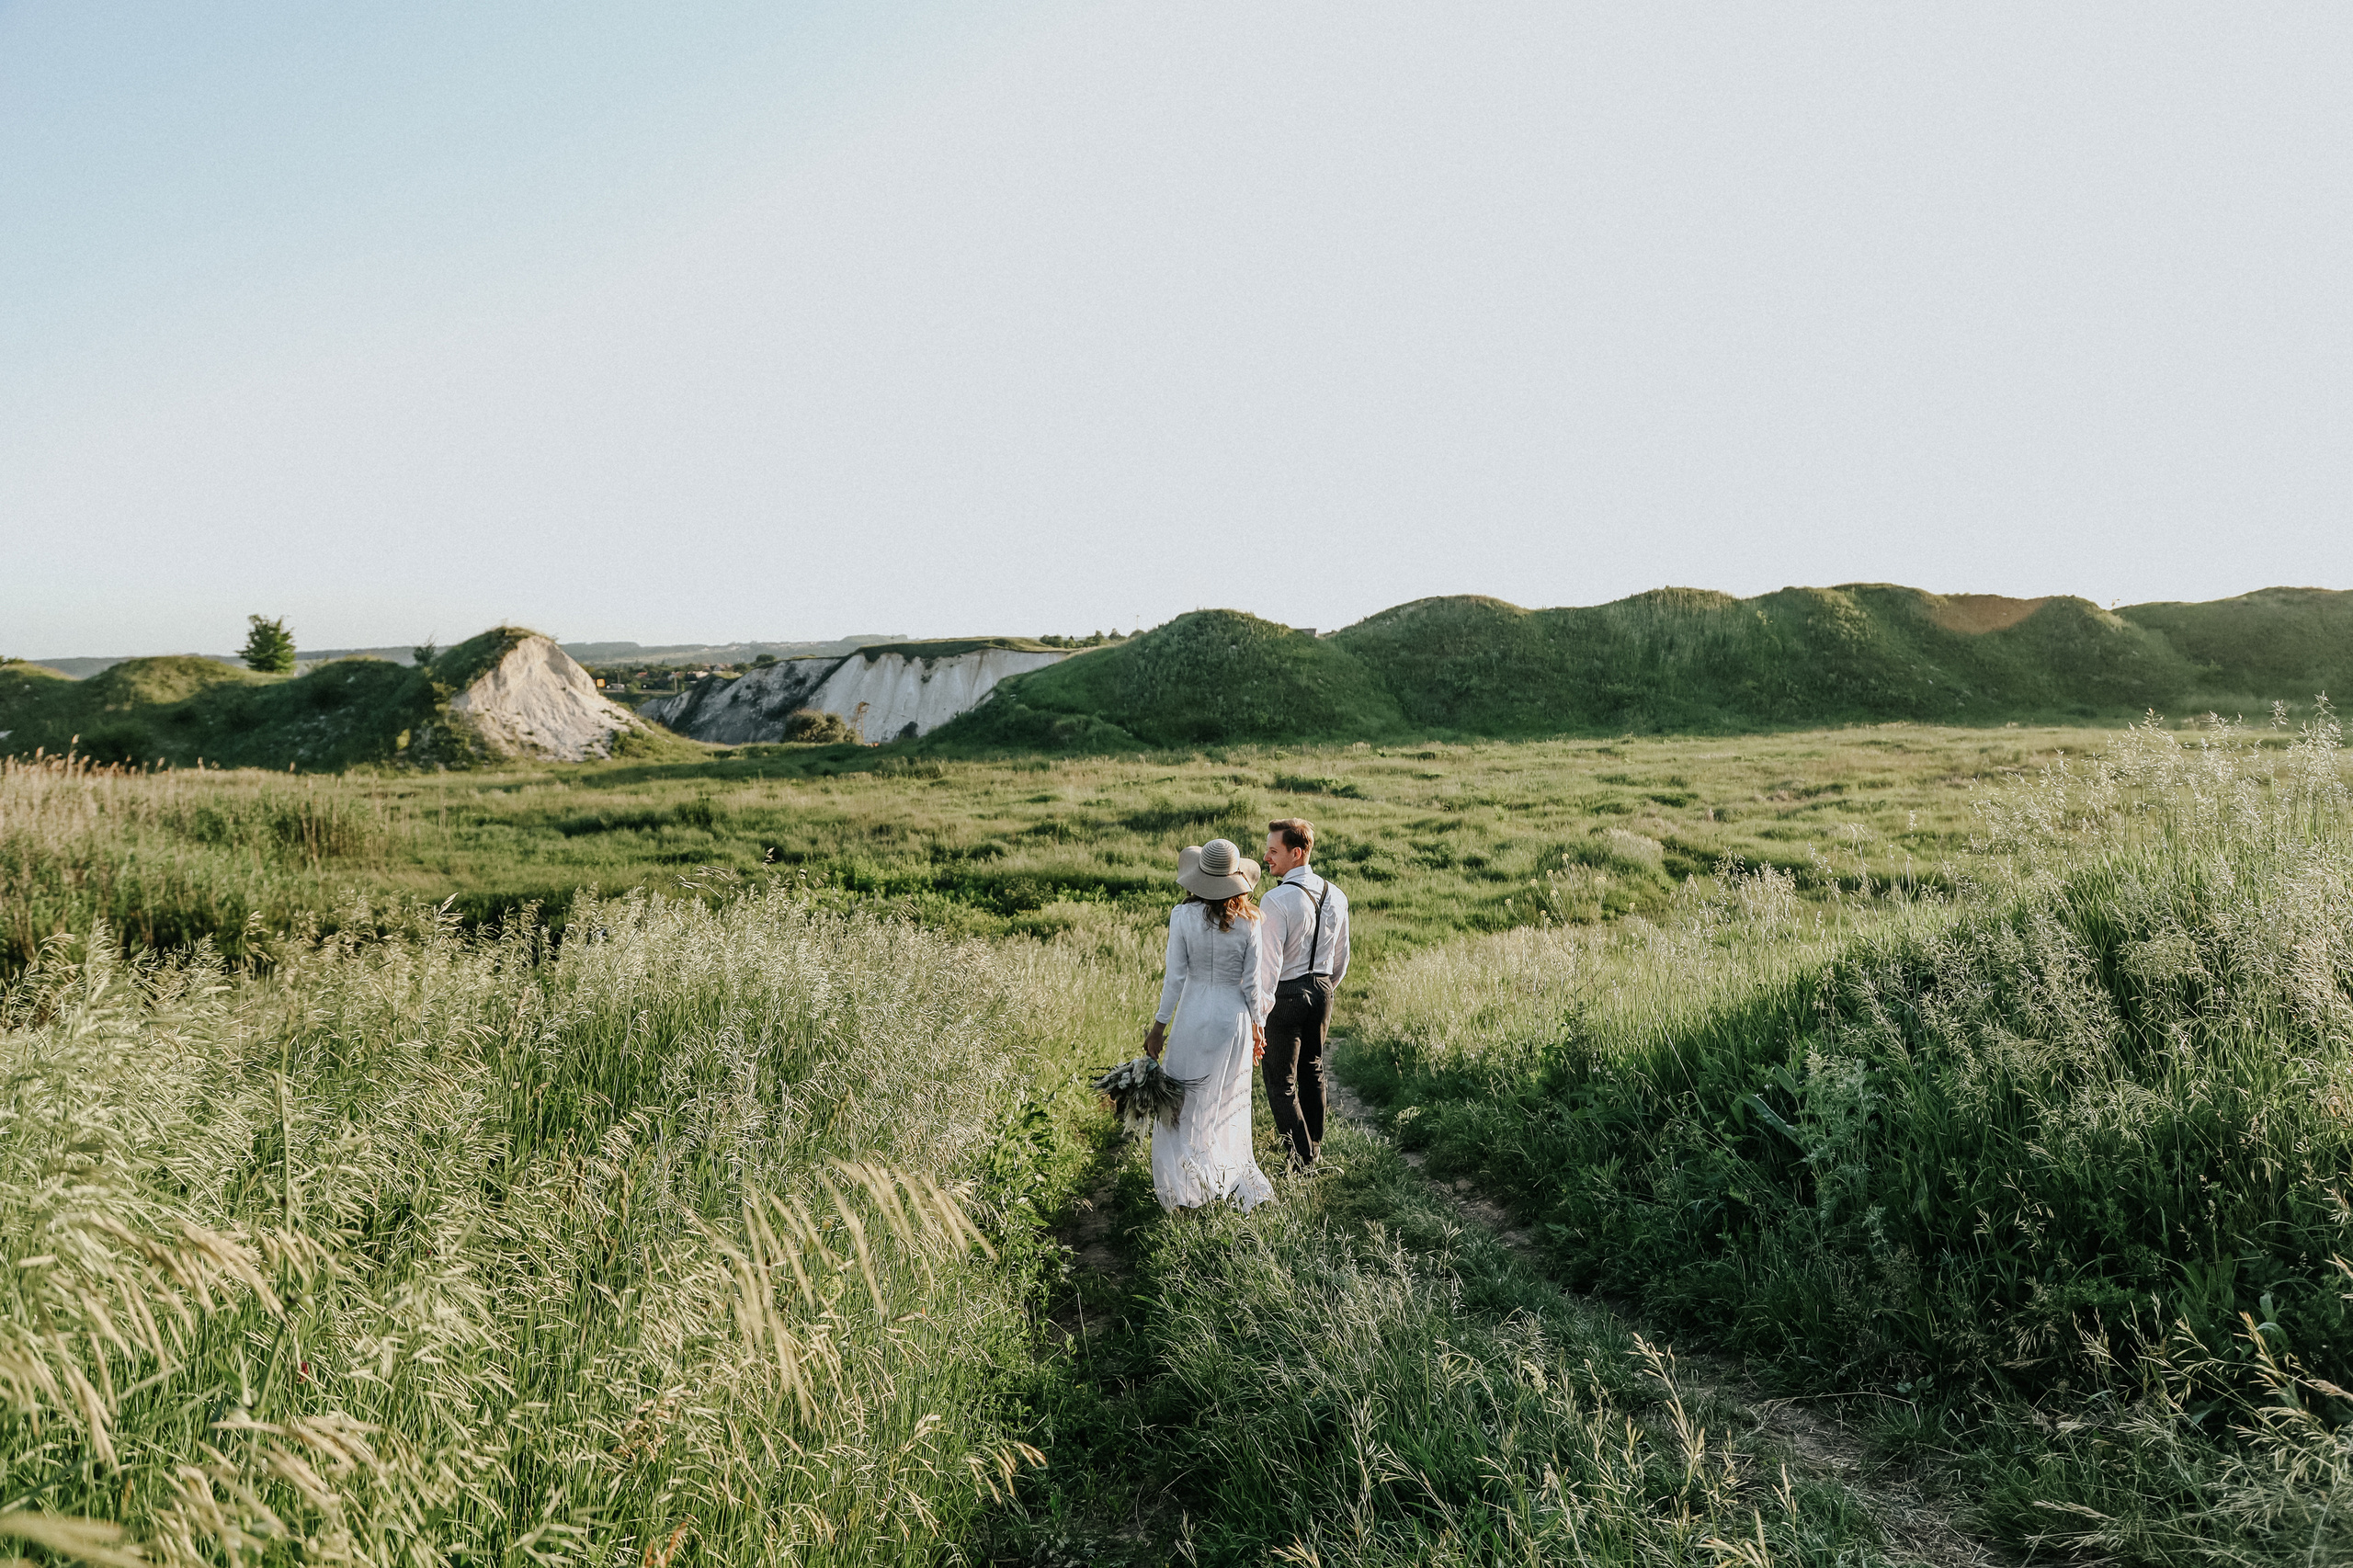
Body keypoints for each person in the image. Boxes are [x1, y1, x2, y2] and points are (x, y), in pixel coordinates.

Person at [1142, 839, 1275, 1211]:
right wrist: (1258, 1027)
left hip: (1193, 1016)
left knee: (1183, 1103)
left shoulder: (1182, 917)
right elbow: (1253, 985)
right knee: (1225, 1101)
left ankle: (1187, 1187)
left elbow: (1175, 978)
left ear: (1198, 879)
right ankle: (1224, 1179)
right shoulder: (1251, 921)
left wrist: (1158, 1028)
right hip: (1232, 1020)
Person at [1256, 817, 1351, 1170]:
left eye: (1272, 851)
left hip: (1285, 994)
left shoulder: (1276, 899)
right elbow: (1342, 956)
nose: (1267, 857)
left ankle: (1302, 1158)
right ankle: (1314, 1145)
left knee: (1281, 1081)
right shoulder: (1336, 894)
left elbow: (1268, 966)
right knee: (1313, 1070)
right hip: (1323, 989)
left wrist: (1260, 1011)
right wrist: (1324, 989)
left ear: (1296, 853)